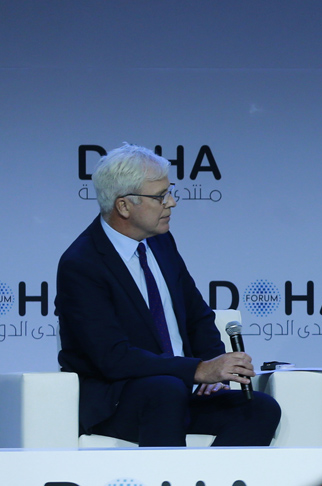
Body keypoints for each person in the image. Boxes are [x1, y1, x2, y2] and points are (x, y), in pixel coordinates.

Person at [56, 143, 280, 446]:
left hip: (177, 388)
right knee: (166, 390)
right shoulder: (82, 264)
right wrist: (196, 370)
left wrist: (213, 364)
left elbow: (198, 316)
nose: (171, 202)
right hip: (120, 400)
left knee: (259, 409)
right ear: (124, 206)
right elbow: (113, 358)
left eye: (169, 192)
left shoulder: (161, 243)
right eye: (160, 196)